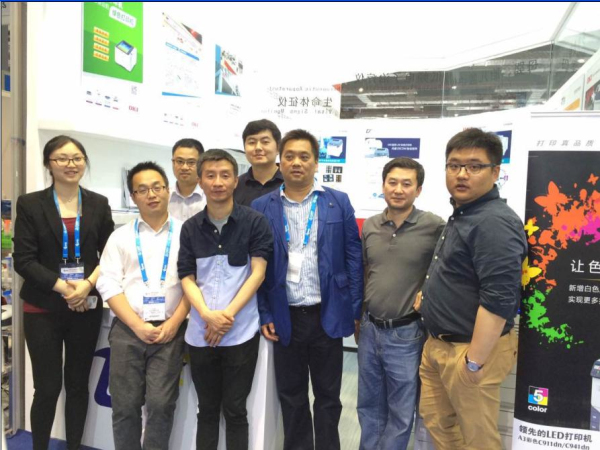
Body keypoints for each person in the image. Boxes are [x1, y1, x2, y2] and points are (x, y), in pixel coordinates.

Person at [252, 129, 363, 450]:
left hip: (327, 314)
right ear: (280, 162)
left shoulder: (337, 202)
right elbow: (256, 265)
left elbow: (353, 258)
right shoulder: (262, 206)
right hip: (284, 315)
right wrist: (264, 312)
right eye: (289, 156)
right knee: (292, 395)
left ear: (316, 163)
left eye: (304, 157)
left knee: (328, 397)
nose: (296, 163)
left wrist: (354, 310)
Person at [419, 128, 527, 450]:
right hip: (439, 345)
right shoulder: (464, 213)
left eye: (474, 166)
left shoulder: (493, 222)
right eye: (454, 165)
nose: (462, 174)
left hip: (470, 351)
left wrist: (474, 362)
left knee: (478, 440)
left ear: (495, 172)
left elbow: (499, 298)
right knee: (440, 425)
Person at [13, 135, 114, 450]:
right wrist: (65, 288)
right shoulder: (30, 203)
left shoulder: (98, 203)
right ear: (49, 164)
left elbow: (110, 254)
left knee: (78, 386)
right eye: (62, 158)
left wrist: (86, 285)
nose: (71, 164)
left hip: (85, 306)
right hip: (42, 308)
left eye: (77, 158)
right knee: (47, 388)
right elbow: (24, 260)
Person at [178, 149, 273, 450]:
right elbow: (186, 277)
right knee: (206, 410)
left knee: (235, 410)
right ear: (200, 181)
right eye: (210, 175)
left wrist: (225, 317)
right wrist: (208, 315)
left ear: (235, 181)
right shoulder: (191, 227)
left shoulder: (255, 222)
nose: (217, 182)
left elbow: (258, 273)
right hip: (200, 332)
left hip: (240, 332)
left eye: (224, 175)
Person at [97, 161, 189, 450]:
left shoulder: (187, 234)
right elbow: (108, 283)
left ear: (168, 190)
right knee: (124, 406)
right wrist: (137, 326)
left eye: (157, 187)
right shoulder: (120, 237)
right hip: (128, 330)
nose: (151, 194)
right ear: (133, 196)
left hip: (171, 331)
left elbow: (194, 283)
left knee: (161, 405)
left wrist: (173, 324)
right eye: (143, 189)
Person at [357, 157, 445, 450]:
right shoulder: (370, 226)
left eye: (406, 184)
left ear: (418, 190)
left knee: (401, 410)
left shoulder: (434, 226)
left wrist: (428, 290)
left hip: (406, 333)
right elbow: (367, 271)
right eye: (392, 182)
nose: (398, 189)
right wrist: (360, 317)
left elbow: (449, 268)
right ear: (383, 185)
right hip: (370, 329)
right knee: (368, 405)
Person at [234, 119, 284, 206]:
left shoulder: (290, 183)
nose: (258, 148)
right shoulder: (235, 186)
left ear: (278, 148)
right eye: (252, 142)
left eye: (265, 142)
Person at [169, 137, 206, 221]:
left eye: (191, 162)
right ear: (173, 163)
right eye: (180, 161)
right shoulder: (164, 197)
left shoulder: (210, 197)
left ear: (201, 164)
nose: (184, 167)